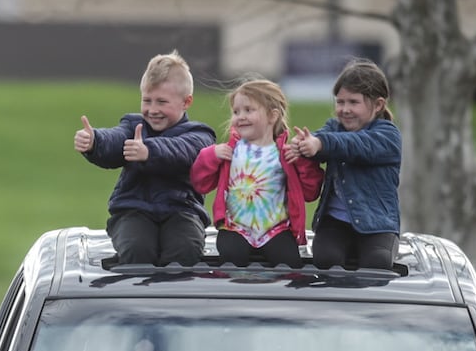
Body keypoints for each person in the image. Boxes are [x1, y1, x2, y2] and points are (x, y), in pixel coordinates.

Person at [73, 49, 216, 266]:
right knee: (136, 249)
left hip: (182, 211)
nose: (152, 110)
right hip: (133, 210)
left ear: (186, 102)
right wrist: (95, 141)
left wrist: (148, 151)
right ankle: (131, 295)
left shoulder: (200, 134)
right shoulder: (134, 126)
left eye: (161, 102)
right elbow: (116, 139)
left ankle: (173, 297)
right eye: (147, 101)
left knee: (185, 249)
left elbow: (184, 152)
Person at [190, 78, 324, 267]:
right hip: (235, 229)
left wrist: (303, 162)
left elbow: (311, 192)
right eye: (236, 111)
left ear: (272, 116)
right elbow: (199, 183)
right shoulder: (229, 150)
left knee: (290, 264)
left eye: (248, 110)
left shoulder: (284, 154)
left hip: (275, 230)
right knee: (231, 260)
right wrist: (211, 155)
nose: (240, 116)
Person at [285, 58, 402, 269]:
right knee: (325, 259)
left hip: (377, 222)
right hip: (334, 222)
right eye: (340, 102)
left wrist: (320, 143)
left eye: (353, 102)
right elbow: (320, 140)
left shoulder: (388, 135)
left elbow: (356, 145)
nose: (345, 109)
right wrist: (302, 145)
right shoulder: (334, 128)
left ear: (378, 105)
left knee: (378, 262)